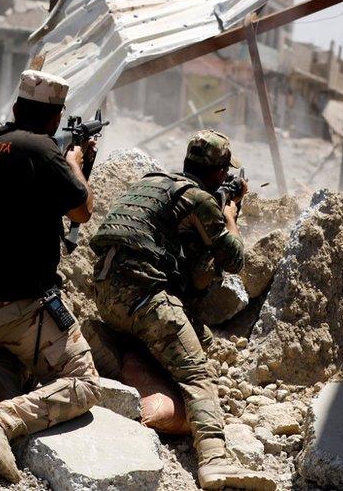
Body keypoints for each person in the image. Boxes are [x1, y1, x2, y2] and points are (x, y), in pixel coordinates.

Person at [89, 130, 276, 491]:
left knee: (193, 337)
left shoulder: (154, 183)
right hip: (146, 298)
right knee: (197, 375)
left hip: (106, 291)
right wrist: (231, 215)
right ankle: (214, 459)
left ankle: (106, 344)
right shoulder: (199, 199)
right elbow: (234, 259)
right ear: (220, 173)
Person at [0, 70, 102, 482]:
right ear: (55, 118)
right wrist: (76, 164)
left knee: (28, 350)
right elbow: (82, 211)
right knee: (85, 382)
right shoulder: (44, 151)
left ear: (16, 109)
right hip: (11, 308)